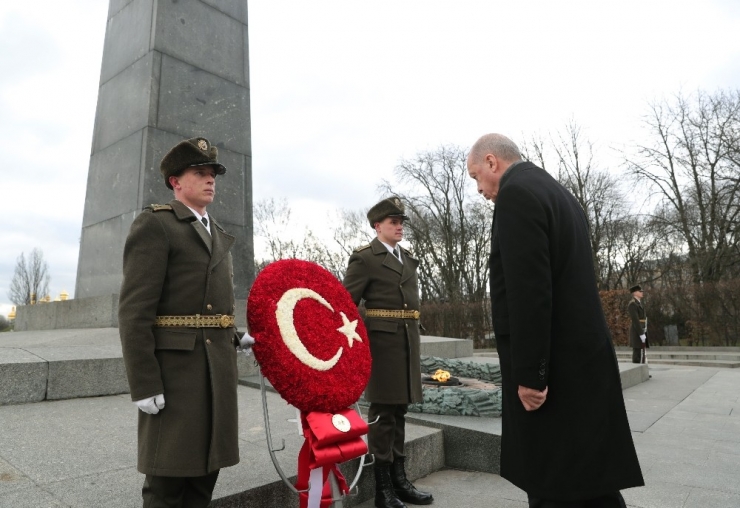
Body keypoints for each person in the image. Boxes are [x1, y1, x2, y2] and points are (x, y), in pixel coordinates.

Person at [467, 133, 644, 508]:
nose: (479, 189)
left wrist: (531, 375)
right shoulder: (556, 192)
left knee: (554, 485)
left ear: (491, 161)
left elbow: (529, 294)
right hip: (584, 362)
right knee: (590, 482)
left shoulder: (517, 196)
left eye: (475, 176)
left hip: (556, 375)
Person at [119, 137, 253, 508]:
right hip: (177, 372)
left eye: (212, 174)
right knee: (167, 481)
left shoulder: (215, 231)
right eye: (200, 173)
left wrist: (235, 335)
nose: (210, 180)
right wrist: (143, 382)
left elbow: (206, 304)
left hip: (216, 368)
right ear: (175, 181)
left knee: (205, 474)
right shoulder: (157, 224)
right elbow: (134, 311)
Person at [342, 197, 433, 508]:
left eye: (401, 222)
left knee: (399, 412)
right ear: (377, 225)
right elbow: (345, 305)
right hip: (381, 346)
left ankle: (399, 481)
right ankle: (383, 490)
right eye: (393, 222)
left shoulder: (406, 258)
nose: (399, 226)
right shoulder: (365, 259)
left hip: (406, 343)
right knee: (382, 415)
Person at [628, 285, 648, 363]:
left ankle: (642, 370)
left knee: (643, 352)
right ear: (635, 293)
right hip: (637, 331)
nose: (642, 293)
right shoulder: (632, 304)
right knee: (637, 353)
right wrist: (641, 333)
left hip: (642, 329)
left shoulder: (639, 303)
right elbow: (635, 320)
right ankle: (636, 371)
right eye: (640, 291)